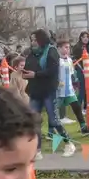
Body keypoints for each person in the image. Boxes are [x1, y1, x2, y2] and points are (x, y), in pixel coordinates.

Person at [22, 29, 64, 157]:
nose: (33, 42)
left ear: (41, 39)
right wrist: (25, 73)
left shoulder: (51, 51)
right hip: (35, 90)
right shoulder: (30, 53)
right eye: (31, 40)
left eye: (35, 39)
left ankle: (68, 142)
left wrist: (35, 74)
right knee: (34, 121)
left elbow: (52, 71)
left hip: (48, 90)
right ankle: (37, 150)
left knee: (54, 120)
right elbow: (28, 66)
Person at [55, 40, 85, 148]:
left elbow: (72, 73)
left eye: (68, 47)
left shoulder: (69, 60)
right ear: (58, 48)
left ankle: (83, 126)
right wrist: (57, 82)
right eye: (65, 47)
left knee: (76, 106)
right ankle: (52, 131)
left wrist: (74, 82)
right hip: (58, 91)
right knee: (54, 111)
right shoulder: (56, 60)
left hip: (69, 89)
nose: (67, 49)